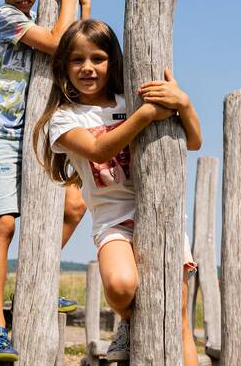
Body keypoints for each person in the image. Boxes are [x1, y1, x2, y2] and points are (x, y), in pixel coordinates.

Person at [33, 19, 203, 365]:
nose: (88, 68)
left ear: (113, 61)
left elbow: (195, 141)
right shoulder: (64, 118)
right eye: (77, 60)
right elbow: (98, 150)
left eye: (98, 58)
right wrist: (145, 116)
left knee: (179, 317)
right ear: (63, 66)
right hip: (113, 220)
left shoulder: (134, 99)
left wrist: (183, 103)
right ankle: (127, 321)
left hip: (161, 215)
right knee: (122, 285)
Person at [0, 0, 91, 361]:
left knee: (74, 206)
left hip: (34, 133)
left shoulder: (29, 14)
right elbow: (61, 41)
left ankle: (35, 281)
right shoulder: (7, 18)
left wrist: (82, 2)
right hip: (0, 130)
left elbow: (75, 43)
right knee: (4, 223)